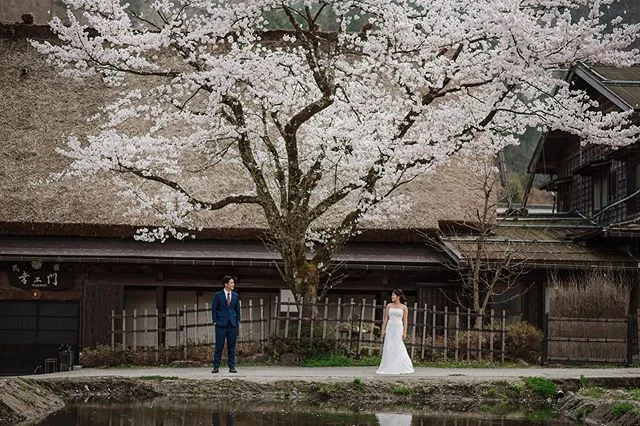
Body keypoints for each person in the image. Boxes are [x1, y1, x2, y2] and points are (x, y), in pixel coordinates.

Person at [376, 288, 414, 375]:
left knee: (398, 345)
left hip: (398, 327)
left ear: (398, 296)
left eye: (394, 295)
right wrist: (383, 330)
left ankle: (400, 365)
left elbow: (405, 320)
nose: (392, 296)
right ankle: (388, 366)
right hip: (390, 327)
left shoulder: (404, 307)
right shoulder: (389, 306)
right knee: (389, 345)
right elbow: (385, 319)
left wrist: (404, 332)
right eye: (392, 295)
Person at [211, 275, 241, 373]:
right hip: (220, 324)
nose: (233, 284)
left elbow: (237, 311)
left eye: (233, 283)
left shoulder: (236, 296)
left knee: (232, 346)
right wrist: (215, 321)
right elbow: (214, 309)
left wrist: (237, 323)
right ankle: (216, 366)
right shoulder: (218, 295)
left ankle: (232, 366)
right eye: (231, 283)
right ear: (226, 284)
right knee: (219, 346)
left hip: (232, 324)